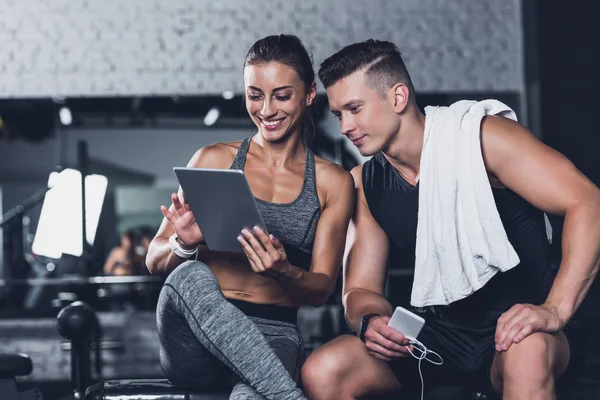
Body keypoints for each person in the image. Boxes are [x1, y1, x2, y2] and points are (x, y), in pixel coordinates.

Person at [301, 39, 600, 399]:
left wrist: (554, 309)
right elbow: (360, 289)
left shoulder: (484, 139)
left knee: (528, 355)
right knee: (325, 370)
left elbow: (588, 202)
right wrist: (371, 321)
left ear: (398, 97)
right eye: (338, 114)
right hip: (439, 333)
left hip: (522, 323)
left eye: (354, 108)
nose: (345, 126)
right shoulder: (365, 184)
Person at [145, 34, 354, 400]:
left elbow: (321, 289)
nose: (266, 110)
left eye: (282, 96)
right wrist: (183, 244)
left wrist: (283, 272)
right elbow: (154, 260)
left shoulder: (332, 182)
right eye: (254, 95)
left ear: (308, 95)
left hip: (273, 333)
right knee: (190, 274)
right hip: (195, 340)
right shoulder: (212, 159)